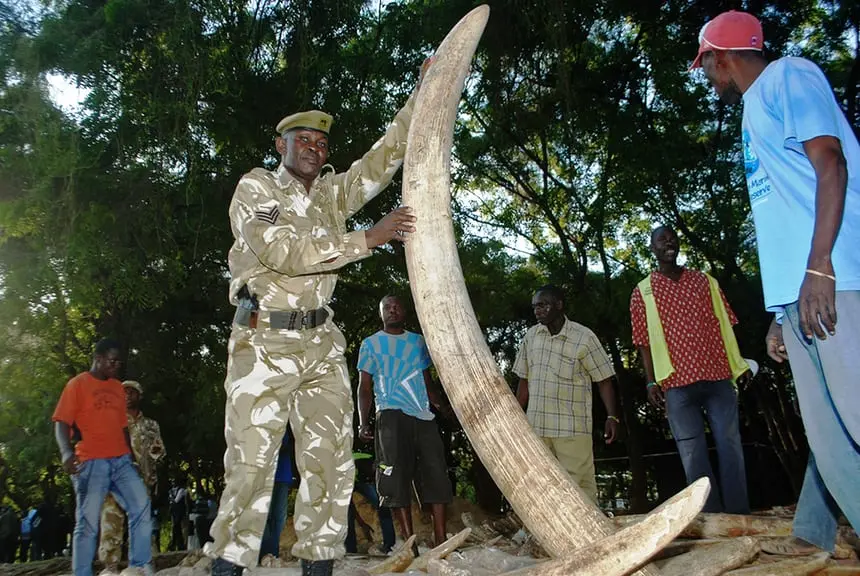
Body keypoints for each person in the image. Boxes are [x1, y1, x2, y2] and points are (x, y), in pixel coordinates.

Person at [205, 58, 432, 576]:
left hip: (320, 343)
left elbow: (382, 159)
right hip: (262, 341)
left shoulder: (331, 193)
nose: (315, 148)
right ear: (282, 145)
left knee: (330, 466)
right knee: (251, 467)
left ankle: (320, 567)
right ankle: (228, 567)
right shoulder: (257, 189)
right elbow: (280, 250)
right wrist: (367, 239)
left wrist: (421, 95)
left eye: (323, 143)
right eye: (304, 140)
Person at [690, 9, 860, 555]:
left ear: (722, 55)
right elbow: (787, 210)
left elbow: (830, 162)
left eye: (706, 64)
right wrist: (781, 311)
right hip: (802, 293)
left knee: (856, 415)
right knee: (829, 436)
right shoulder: (751, 111)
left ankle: (814, 535)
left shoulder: (790, 75)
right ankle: (816, 536)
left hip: (839, 278)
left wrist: (820, 267)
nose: (707, 76)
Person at [630, 225, 753, 514]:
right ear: (653, 248)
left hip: (718, 377)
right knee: (692, 453)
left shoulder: (705, 281)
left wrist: (740, 365)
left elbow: (725, 325)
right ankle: (710, 518)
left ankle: (739, 514)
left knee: (730, 445)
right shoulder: (642, 291)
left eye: (672, 238)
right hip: (676, 383)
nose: (668, 242)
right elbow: (643, 342)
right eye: (662, 239)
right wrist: (650, 383)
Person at [357, 295, 454, 549]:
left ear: (405, 311)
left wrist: (442, 407)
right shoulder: (370, 344)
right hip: (389, 415)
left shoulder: (418, 342)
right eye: (387, 307)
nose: (392, 310)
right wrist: (363, 422)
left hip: (422, 415)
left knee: (436, 472)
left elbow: (427, 379)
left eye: (397, 306)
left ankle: (441, 539)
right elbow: (364, 388)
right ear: (381, 314)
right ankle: (410, 544)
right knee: (394, 477)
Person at [51, 339, 152, 576]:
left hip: (120, 461)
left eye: (119, 362)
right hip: (91, 462)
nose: (117, 365)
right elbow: (61, 423)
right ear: (97, 359)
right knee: (87, 523)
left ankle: (140, 565)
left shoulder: (117, 387)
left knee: (141, 505)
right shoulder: (77, 385)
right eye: (112, 361)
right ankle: (82, 572)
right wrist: (66, 452)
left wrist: (132, 458)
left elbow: (123, 427)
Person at [513, 285, 620, 504]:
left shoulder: (584, 337)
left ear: (559, 305)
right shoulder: (532, 336)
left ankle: (591, 534)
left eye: (543, 305)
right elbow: (524, 380)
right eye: (535, 307)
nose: (537, 311)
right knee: (538, 485)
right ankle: (537, 534)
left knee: (578, 489)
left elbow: (604, 380)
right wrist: (515, 418)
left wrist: (612, 416)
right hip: (537, 429)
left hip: (571, 429)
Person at [98, 380, 166, 572]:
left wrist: (154, 455)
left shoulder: (151, 425)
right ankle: (110, 566)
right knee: (111, 521)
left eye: (132, 392)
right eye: (123, 392)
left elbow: (160, 452)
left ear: (139, 396)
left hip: (141, 483)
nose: (127, 395)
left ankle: (143, 565)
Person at [344, 450, 395, 555]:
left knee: (382, 504)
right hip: (345, 472)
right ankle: (350, 549)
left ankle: (390, 545)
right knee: (346, 511)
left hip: (363, 473)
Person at [259, 429, 294, 560]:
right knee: (265, 516)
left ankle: (272, 554)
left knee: (279, 518)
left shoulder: (287, 424)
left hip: (283, 475)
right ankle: (265, 553)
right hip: (265, 475)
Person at [168, 480, 189, 551]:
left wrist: (172, 500)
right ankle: (176, 544)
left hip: (180, 511)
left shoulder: (182, 490)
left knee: (178, 527)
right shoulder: (171, 491)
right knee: (176, 527)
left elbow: (176, 500)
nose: (173, 483)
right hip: (174, 511)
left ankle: (176, 544)